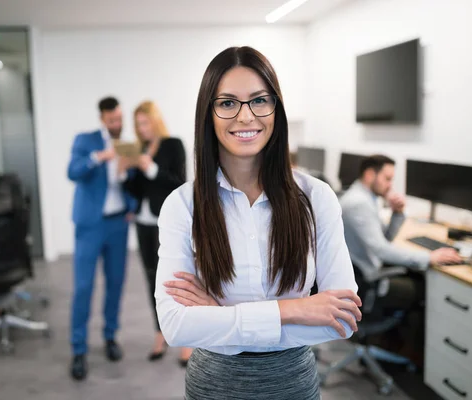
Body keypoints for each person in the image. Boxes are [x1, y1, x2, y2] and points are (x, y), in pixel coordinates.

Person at [155, 47, 361, 400]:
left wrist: (220, 316)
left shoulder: (316, 198)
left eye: (259, 100)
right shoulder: (182, 206)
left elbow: (341, 320)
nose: (246, 116)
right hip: (213, 387)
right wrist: (296, 309)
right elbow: (176, 327)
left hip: (293, 385)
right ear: (209, 113)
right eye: (227, 103)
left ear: (275, 109)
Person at [339, 155, 462, 361]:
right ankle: (412, 354)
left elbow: (384, 239)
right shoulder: (358, 203)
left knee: (414, 275)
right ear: (370, 175)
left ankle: (390, 343)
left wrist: (397, 213)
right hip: (366, 283)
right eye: (387, 179)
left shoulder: (365, 198)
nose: (390, 185)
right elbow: (382, 250)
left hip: (363, 272)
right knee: (423, 288)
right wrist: (429, 256)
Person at [67, 96, 137, 380]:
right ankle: (79, 348)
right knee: (84, 286)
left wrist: (130, 199)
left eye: (119, 119)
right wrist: (99, 157)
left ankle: (110, 336)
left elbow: (133, 183)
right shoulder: (85, 141)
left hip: (118, 223)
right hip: (90, 224)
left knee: (116, 282)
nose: (117, 124)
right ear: (102, 119)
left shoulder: (128, 146)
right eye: (112, 120)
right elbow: (73, 172)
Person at [121, 101, 190, 365]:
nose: (142, 128)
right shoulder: (138, 148)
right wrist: (126, 172)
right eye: (138, 124)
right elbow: (137, 189)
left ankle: (184, 339)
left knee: (174, 281)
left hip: (167, 223)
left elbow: (178, 182)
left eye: (145, 122)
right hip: (143, 222)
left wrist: (149, 167)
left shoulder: (173, 144)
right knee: (151, 280)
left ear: (155, 121)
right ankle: (159, 333)